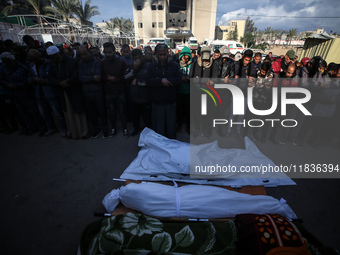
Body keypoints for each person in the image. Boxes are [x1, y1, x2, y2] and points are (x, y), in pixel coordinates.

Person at [0, 52, 46, 136]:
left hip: (25, 93)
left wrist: (16, 85)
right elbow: (2, 79)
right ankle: (31, 128)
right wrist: (8, 85)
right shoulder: (3, 68)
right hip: (14, 94)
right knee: (23, 113)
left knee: (34, 112)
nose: (7, 64)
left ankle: (41, 128)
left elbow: (27, 81)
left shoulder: (22, 68)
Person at [48, 46, 89, 139]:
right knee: (68, 113)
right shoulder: (52, 63)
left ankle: (83, 132)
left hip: (73, 90)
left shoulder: (71, 61)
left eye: (55, 56)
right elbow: (50, 78)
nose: (54, 59)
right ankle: (72, 132)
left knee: (78, 112)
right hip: (62, 91)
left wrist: (67, 82)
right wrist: (59, 83)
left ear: (59, 53)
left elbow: (76, 75)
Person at [27, 49, 67, 137]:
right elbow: (29, 78)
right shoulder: (32, 66)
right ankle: (51, 128)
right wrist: (34, 80)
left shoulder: (49, 64)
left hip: (50, 91)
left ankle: (65, 128)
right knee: (44, 113)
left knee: (58, 112)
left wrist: (42, 80)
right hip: (39, 92)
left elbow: (53, 78)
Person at [145, 43, 182, 139]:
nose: (162, 57)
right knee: (159, 128)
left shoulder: (174, 66)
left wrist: (168, 81)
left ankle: (171, 146)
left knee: (171, 128)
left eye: (164, 54)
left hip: (170, 101)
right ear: (156, 55)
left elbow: (179, 79)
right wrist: (160, 81)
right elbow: (148, 80)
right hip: (157, 102)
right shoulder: (151, 67)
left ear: (168, 54)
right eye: (160, 55)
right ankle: (159, 147)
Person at [78, 45, 109, 138]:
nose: (83, 56)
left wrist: (87, 78)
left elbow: (98, 77)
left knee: (101, 112)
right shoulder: (80, 64)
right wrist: (91, 77)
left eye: (85, 54)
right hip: (86, 92)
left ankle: (105, 129)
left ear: (89, 52)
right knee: (91, 114)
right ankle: (96, 129)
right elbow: (80, 78)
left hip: (97, 91)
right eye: (81, 55)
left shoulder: (97, 62)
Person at [101, 42, 129, 138]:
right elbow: (100, 77)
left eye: (110, 52)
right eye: (106, 52)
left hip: (120, 91)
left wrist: (116, 79)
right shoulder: (102, 62)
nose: (108, 54)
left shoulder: (122, 62)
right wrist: (107, 79)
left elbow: (126, 77)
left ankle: (125, 129)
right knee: (111, 113)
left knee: (122, 112)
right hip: (109, 92)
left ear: (114, 51)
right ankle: (113, 129)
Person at [228, 49, 256, 139]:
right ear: (243, 56)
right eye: (246, 60)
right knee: (232, 114)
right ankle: (228, 131)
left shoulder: (252, 66)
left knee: (241, 115)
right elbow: (234, 80)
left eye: (249, 60)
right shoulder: (237, 64)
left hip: (245, 94)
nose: (247, 62)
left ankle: (238, 131)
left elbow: (252, 82)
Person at [129, 49, 152, 136]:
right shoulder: (131, 66)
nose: (137, 61)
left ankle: (149, 131)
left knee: (147, 117)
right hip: (134, 96)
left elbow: (150, 81)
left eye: (138, 59)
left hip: (145, 96)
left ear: (142, 57)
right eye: (135, 59)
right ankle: (136, 129)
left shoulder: (149, 66)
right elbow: (126, 77)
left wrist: (138, 82)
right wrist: (134, 69)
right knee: (135, 116)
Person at [177, 46, 192, 133]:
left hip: (189, 91)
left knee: (189, 111)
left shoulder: (192, 65)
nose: (185, 60)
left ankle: (188, 126)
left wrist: (190, 78)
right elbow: (174, 76)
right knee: (179, 110)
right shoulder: (177, 64)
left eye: (187, 58)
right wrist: (181, 78)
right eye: (183, 57)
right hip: (179, 91)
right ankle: (178, 125)